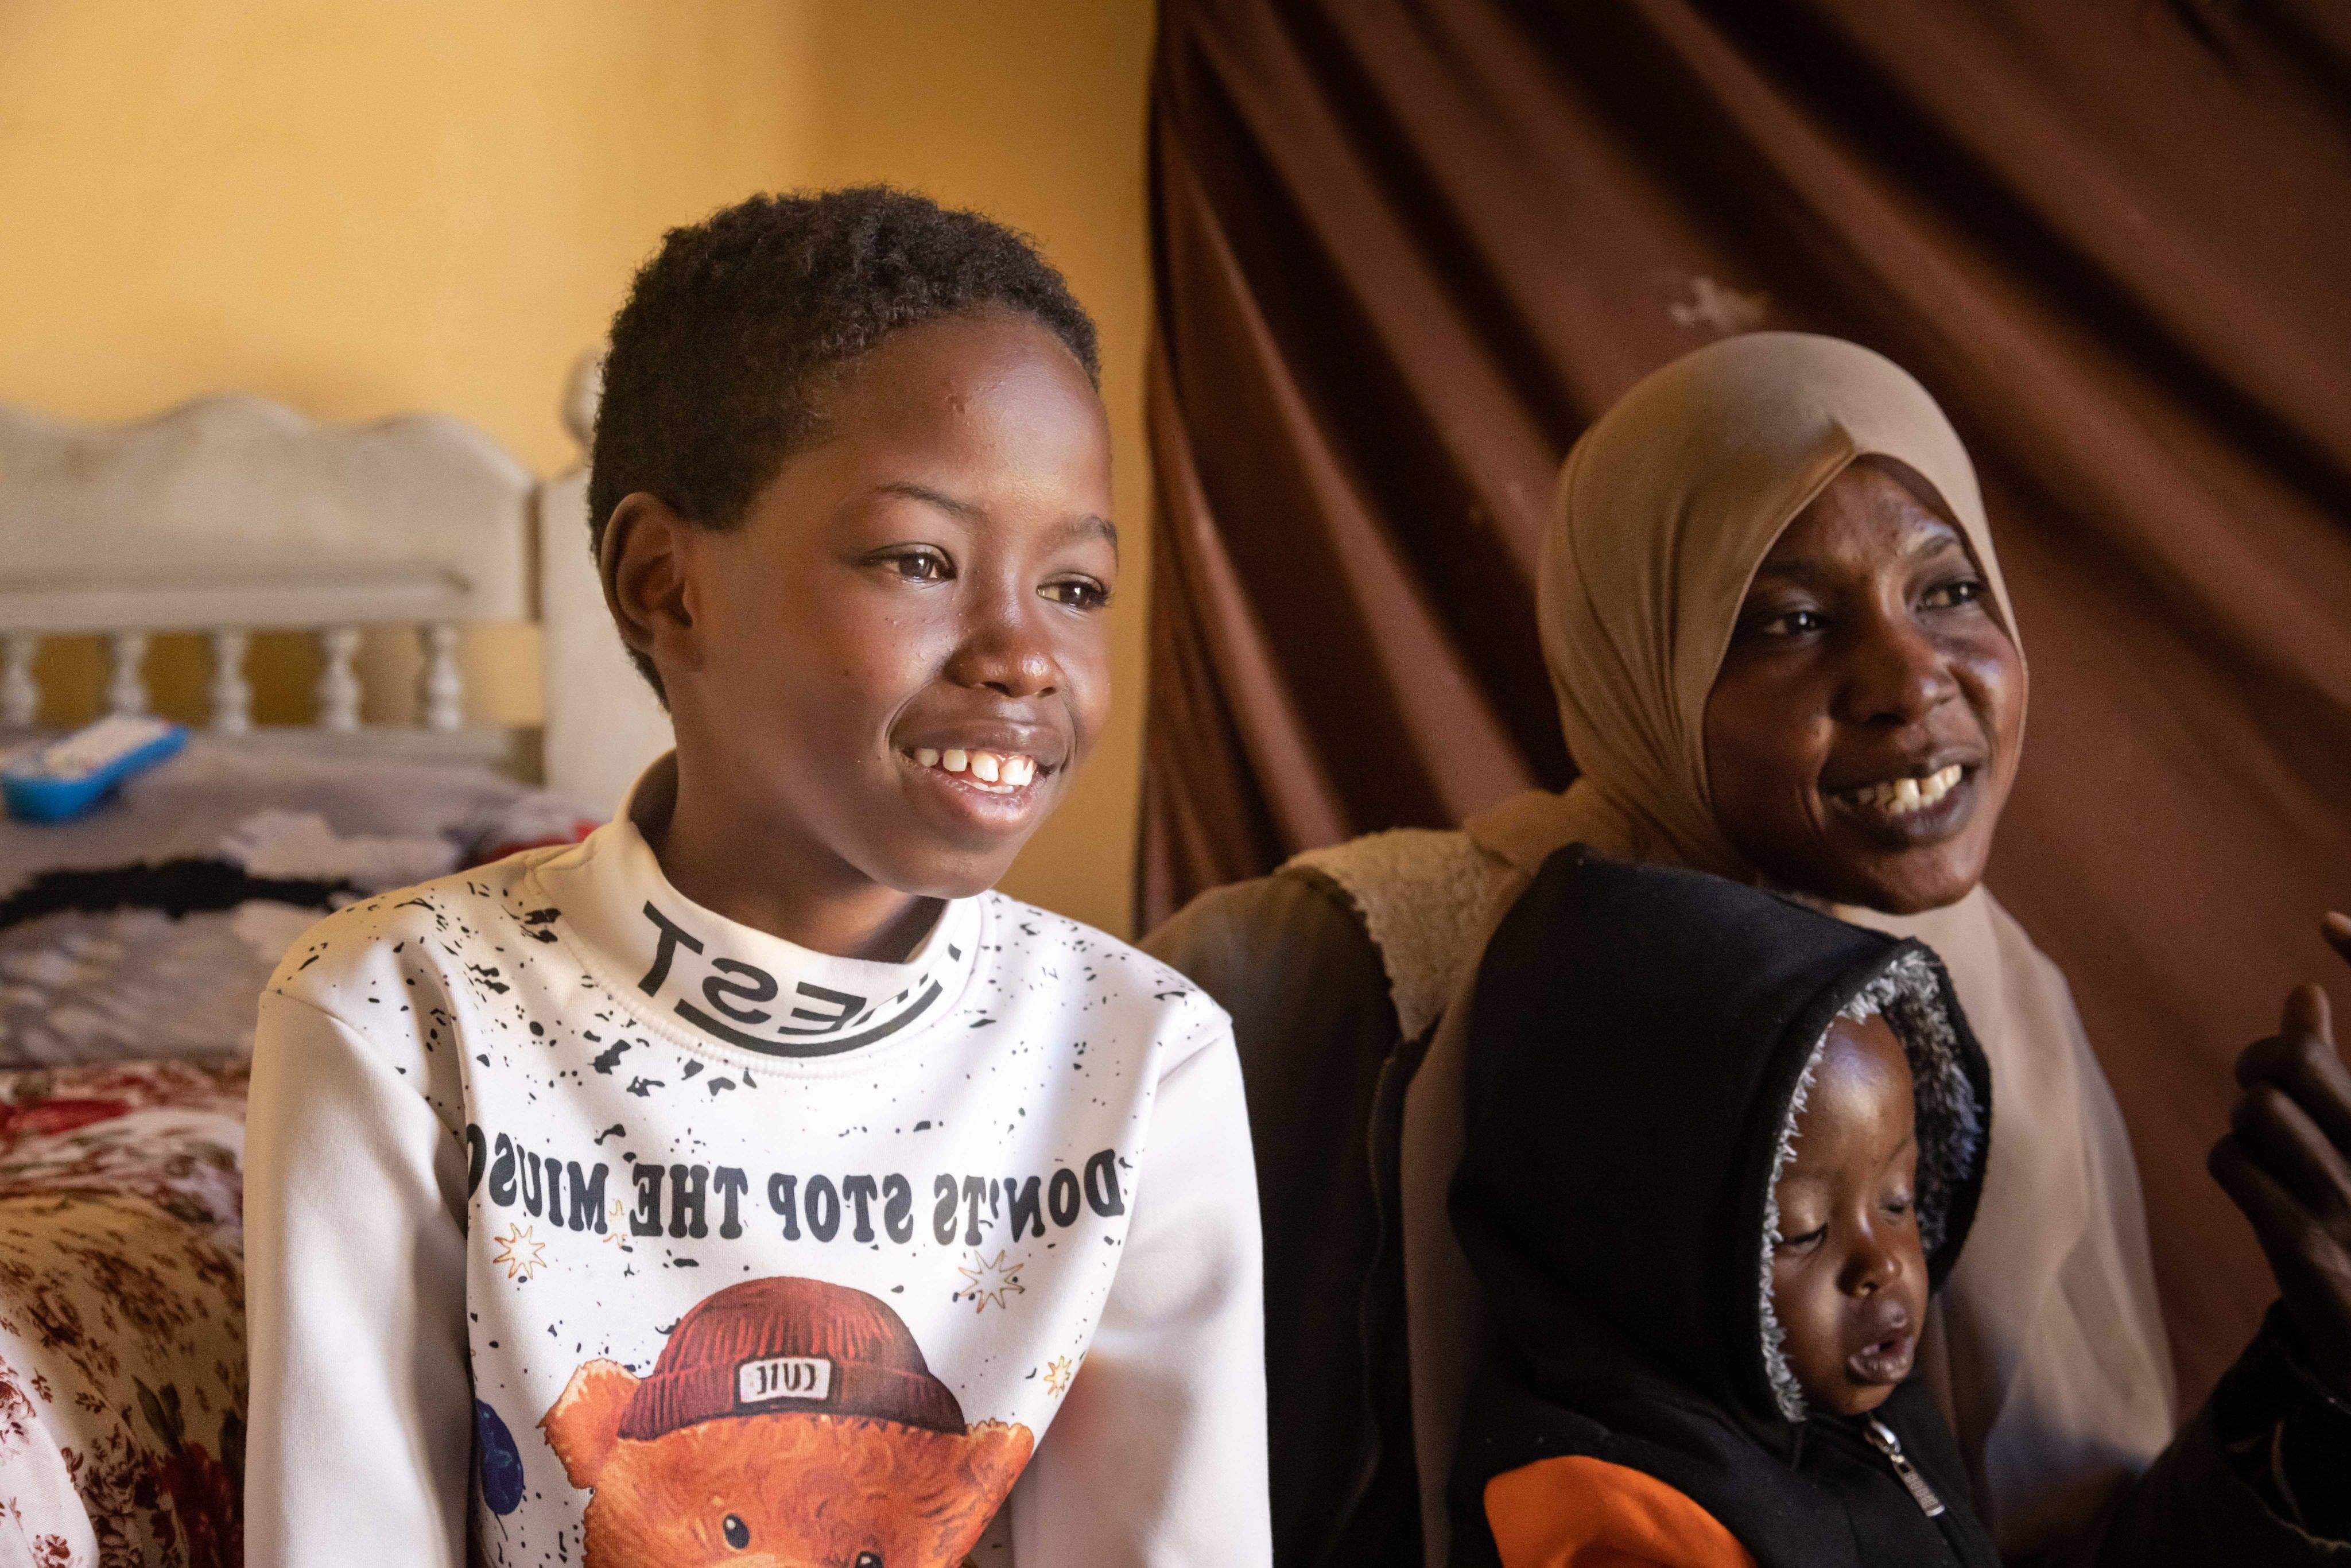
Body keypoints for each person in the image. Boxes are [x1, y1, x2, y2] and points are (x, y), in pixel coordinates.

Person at [1145, 331, 2351, 1565]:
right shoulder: (1336, 975)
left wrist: (2316, 1378)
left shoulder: (1992, 1004)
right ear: (1639, 662)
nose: (1909, 677)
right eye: (1787, 619)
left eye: (1947, 589)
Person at [243, 189, 1271, 1568]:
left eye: (1076, 588)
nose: (1025, 654)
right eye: (920, 560)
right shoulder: (400, 1015)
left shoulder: (1141, 1058)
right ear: (666, 586)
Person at [1448, 847, 1999, 1568]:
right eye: (1803, 1232)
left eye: (1896, 1200)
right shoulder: (1610, 1520)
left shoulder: (1845, 1396)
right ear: (1646, 1249)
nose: (1881, 1262)